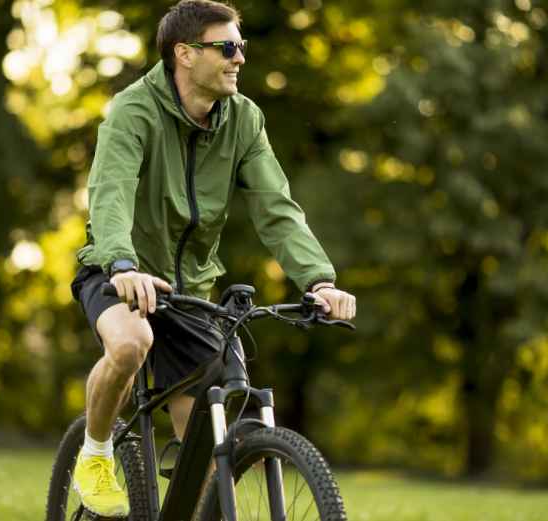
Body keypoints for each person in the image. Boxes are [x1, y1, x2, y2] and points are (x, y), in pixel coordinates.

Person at [69, 0, 356, 516]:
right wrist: (122, 265)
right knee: (133, 343)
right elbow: (110, 192)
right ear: (184, 53)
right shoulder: (134, 111)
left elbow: (277, 209)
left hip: (190, 293)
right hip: (118, 271)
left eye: (241, 47)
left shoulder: (244, 120)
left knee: (209, 432)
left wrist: (319, 280)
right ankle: (95, 452)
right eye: (226, 48)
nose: (240, 58)